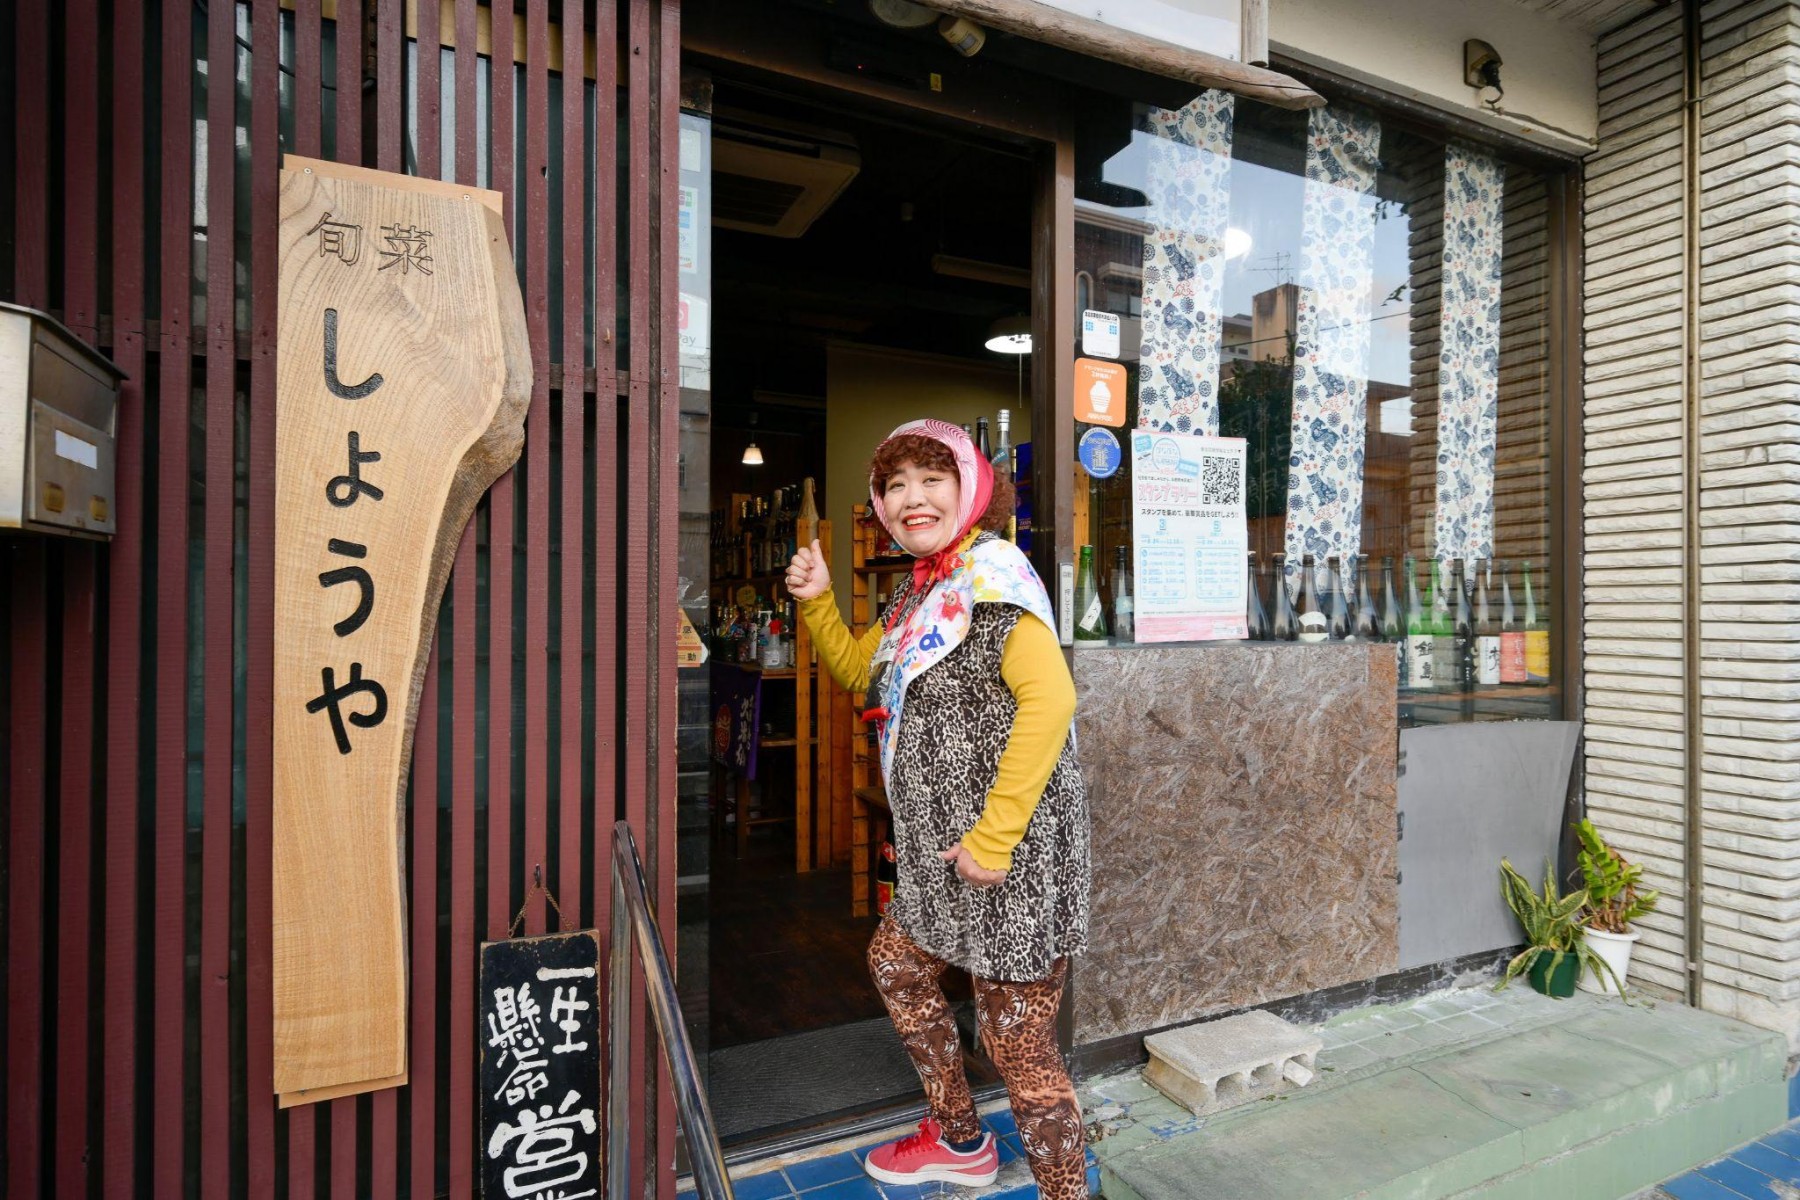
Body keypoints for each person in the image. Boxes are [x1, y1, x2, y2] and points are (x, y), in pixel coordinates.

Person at [785, 418, 1091, 1198]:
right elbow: (863, 671)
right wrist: (819, 603)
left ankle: (1065, 1191)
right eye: (895, 485)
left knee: (1017, 1042)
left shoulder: (993, 578)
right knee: (897, 963)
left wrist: (994, 838)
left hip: (1008, 857)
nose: (911, 498)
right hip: (943, 855)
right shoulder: (922, 589)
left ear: (972, 489)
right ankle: (959, 1138)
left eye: (932, 479)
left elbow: (1051, 701)